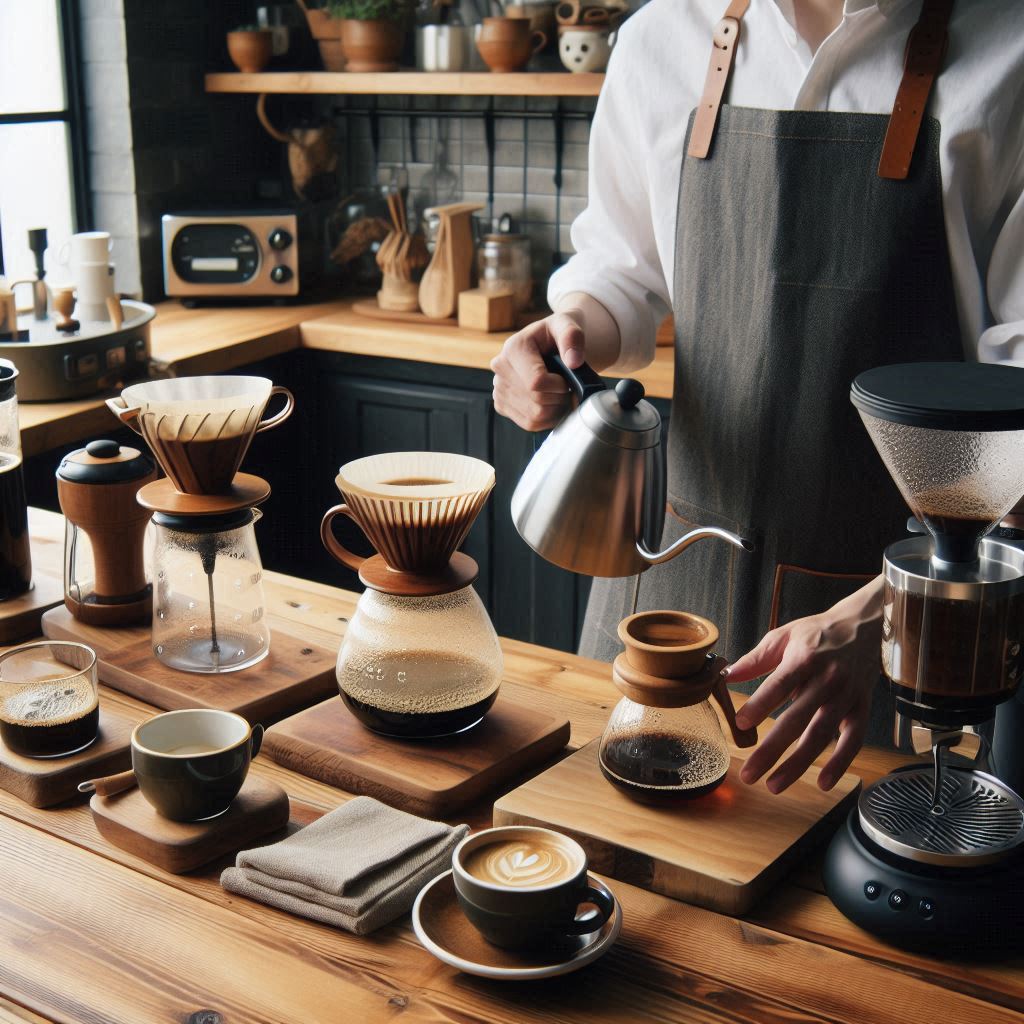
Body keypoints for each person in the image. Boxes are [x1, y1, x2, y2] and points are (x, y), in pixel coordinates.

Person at [491, 0, 1024, 794]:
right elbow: (623, 270)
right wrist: (568, 331)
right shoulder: (661, 36)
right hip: (672, 582)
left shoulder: (1011, 54)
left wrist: (881, 612)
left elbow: (1017, 423)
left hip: (896, 627)